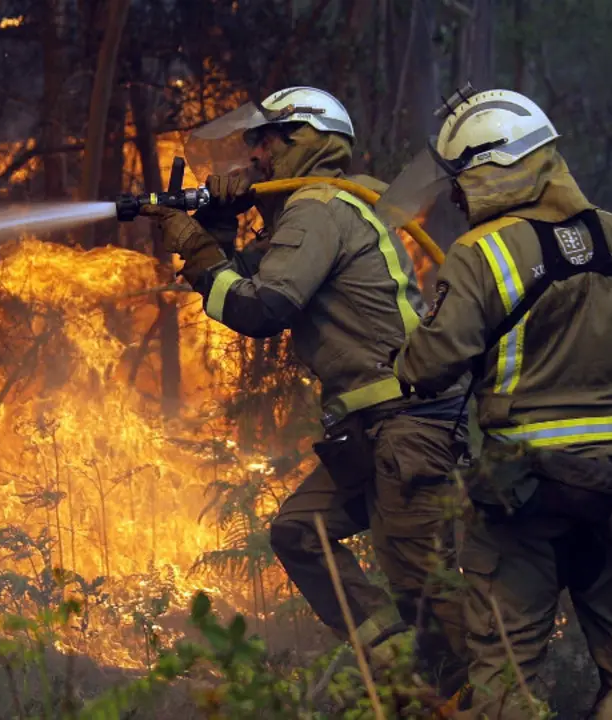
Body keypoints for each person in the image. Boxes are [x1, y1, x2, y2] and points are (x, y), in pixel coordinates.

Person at [144, 86, 469, 689]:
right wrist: (218, 229)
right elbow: (245, 279)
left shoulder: (318, 208)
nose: (254, 155)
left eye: (265, 141)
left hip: (408, 425)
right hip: (376, 427)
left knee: (423, 585)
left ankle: (472, 696)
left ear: (307, 140)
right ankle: (402, 676)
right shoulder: (315, 210)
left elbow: (262, 308)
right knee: (301, 532)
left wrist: (197, 248)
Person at [389, 86, 612, 717]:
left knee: (506, 679)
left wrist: (405, 353)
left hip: (524, 497)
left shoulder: (481, 253)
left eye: (461, 182)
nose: (457, 199)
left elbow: (429, 367)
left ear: (494, 168)